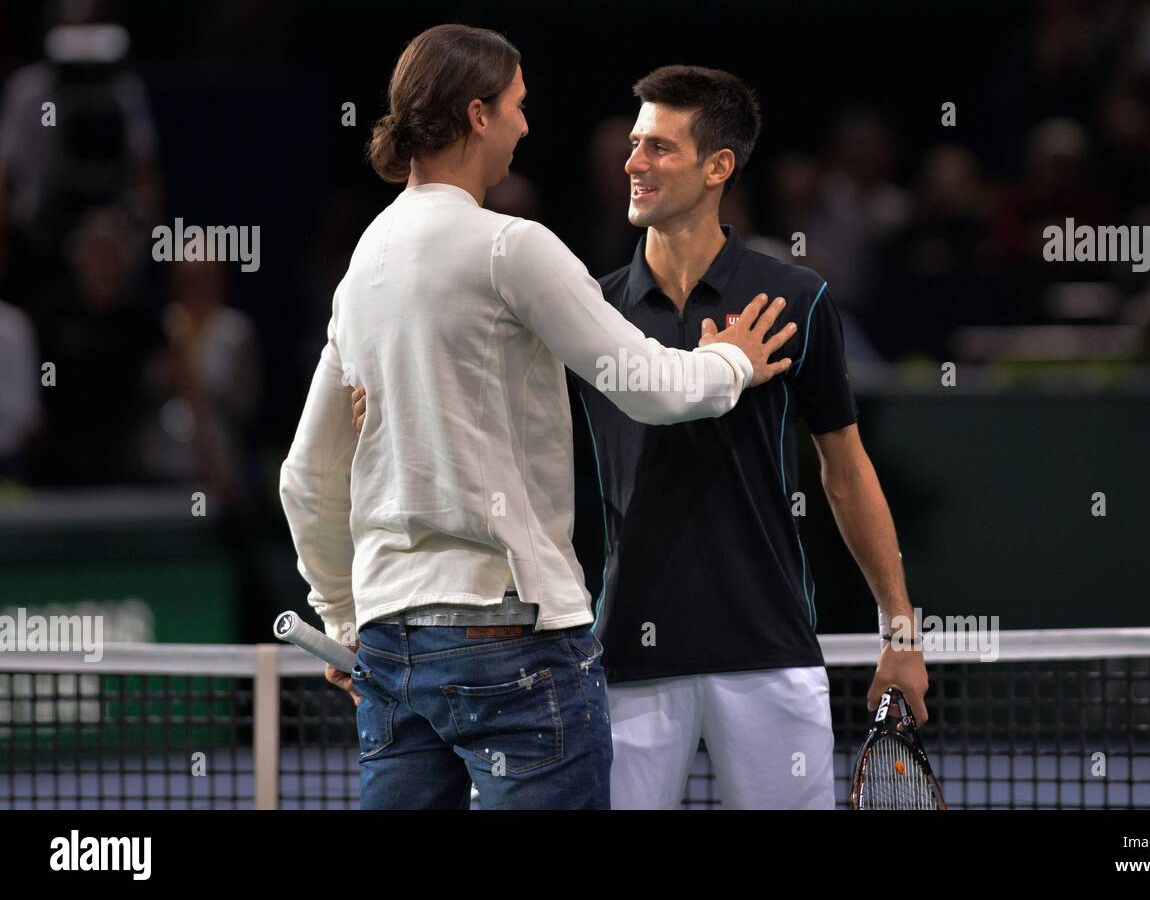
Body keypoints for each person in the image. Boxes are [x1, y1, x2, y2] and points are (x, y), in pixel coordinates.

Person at [353, 65, 928, 810]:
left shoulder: (796, 299)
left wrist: (902, 631)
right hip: (624, 658)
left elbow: (845, 472)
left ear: (719, 166)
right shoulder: (585, 306)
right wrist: (390, 402)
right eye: (633, 144)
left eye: (659, 147)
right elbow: (490, 413)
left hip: (769, 654)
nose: (633, 163)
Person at [278, 25, 795, 810]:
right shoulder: (510, 247)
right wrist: (732, 362)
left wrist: (346, 617)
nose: (527, 125)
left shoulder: (362, 267)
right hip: (509, 638)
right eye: (519, 106)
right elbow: (649, 384)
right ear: (478, 113)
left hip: (392, 646)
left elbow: (306, 477)